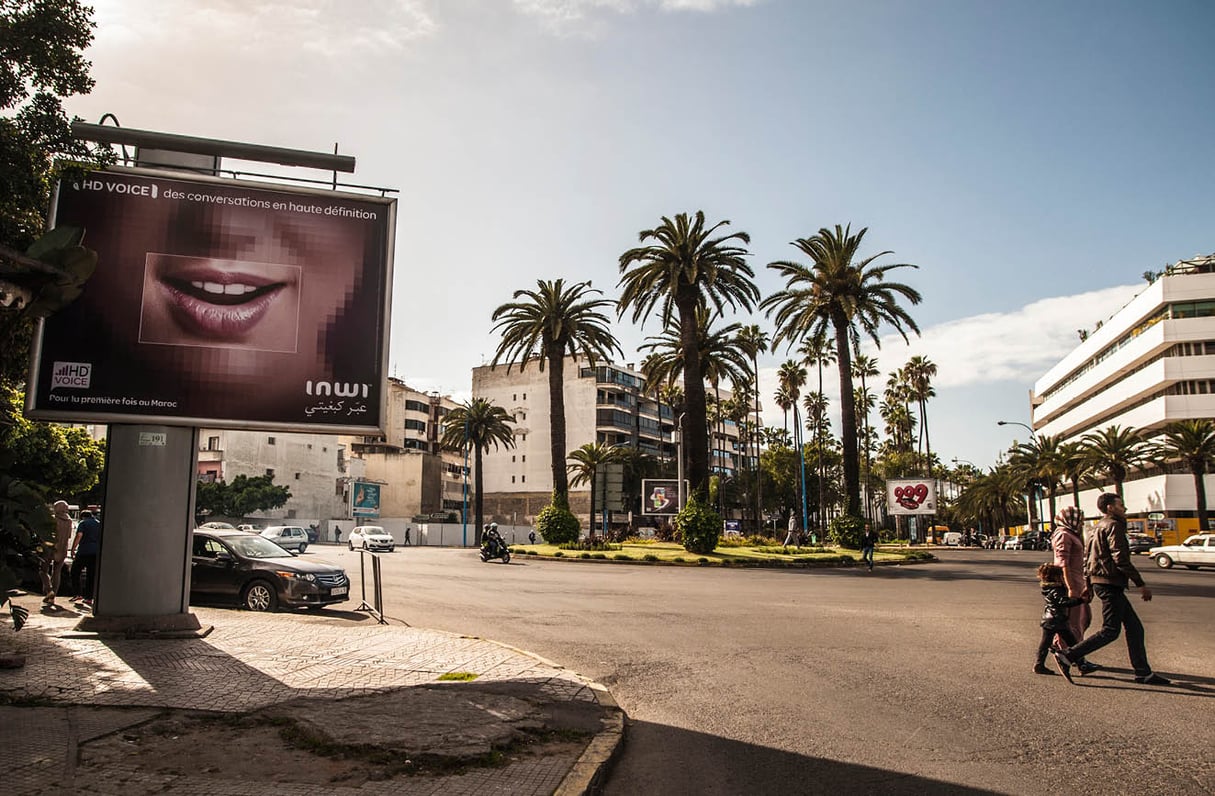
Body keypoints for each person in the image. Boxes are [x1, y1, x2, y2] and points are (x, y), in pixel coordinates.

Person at [1053, 493, 1170, 685]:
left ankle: (1143, 672)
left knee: (1134, 628)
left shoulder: (1096, 527)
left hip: (1102, 582)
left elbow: (1089, 560)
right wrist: (1141, 584)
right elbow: (1120, 558)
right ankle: (1068, 655)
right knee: (1110, 630)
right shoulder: (1113, 526)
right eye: (1120, 505)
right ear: (1109, 507)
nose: (1124, 508)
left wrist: (1089, 585)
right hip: (1109, 583)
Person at [1051, 507, 1093, 650]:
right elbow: (1063, 564)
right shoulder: (1063, 535)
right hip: (1071, 582)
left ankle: (1073, 651)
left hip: (1078, 582)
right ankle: (1066, 651)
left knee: (1083, 618)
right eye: (1079, 519)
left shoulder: (1071, 534)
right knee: (1072, 621)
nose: (1081, 522)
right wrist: (1071, 588)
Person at [1034, 563, 1084, 677]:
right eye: (1061, 575)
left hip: (1048, 619)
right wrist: (1080, 600)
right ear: (1056, 577)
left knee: (1044, 644)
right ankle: (1082, 663)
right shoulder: (1057, 589)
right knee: (1072, 643)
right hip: (1058, 620)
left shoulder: (1047, 588)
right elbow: (1063, 602)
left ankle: (1039, 664)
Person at [40, 501, 73, 607]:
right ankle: (53, 597)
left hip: (50, 548)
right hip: (63, 549)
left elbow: (46, 534)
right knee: (57, 572)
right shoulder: (69, 521)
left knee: (43, 570)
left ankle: (49, 590)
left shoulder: (53, 519)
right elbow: (68, 536)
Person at [70, 510, 102, 608]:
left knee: (75, 571)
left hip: (84, 551)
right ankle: (89, 597)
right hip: (95, 552)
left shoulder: (83, 523)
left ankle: (77, 593)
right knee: (91, 575)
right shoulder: (98, 523)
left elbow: (79, 535)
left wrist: (73, 548)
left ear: (82, 517)